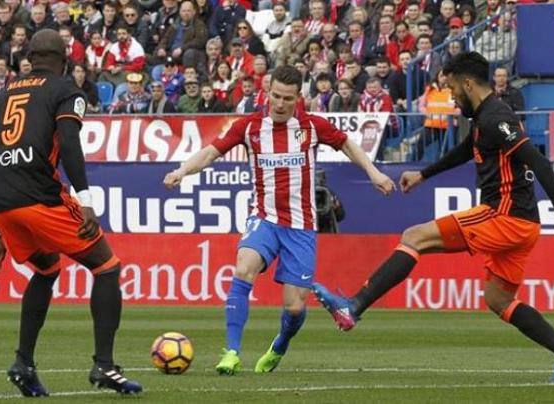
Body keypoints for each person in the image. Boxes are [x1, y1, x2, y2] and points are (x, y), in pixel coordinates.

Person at [312, 52, 554, 384]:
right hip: (523, 225)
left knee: (414, 236)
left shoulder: (494, 117)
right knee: (498, 299)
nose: (453, 98)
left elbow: (539, 163)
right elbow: (464, 151)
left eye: (453, 89)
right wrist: (423, 174)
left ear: (468, 83)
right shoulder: (486, 118)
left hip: (503, 216)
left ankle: (352, 307)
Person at [163, 65, 396, 375]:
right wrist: (181, 171)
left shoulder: (312, 127)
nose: (281, 104)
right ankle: (231, 352)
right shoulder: (249, 127)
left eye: (288, 98)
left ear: (298, 96)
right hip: (265, 217)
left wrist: (374, 172)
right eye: (276, 96)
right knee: (244, 267)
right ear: (267, 91)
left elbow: (348, 145)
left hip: (301, 226)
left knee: (295, 306)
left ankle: (280, 345)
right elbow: (210, 152)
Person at [0, 29, 143, 397]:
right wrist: (85, 199)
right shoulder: (65, 90)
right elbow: (69, 141)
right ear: (65, 58)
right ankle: (104, 366)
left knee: (47, 267)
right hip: (37, 195)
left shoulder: (1, 97)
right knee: (106, 265)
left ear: (29, 57)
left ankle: (24, 363)